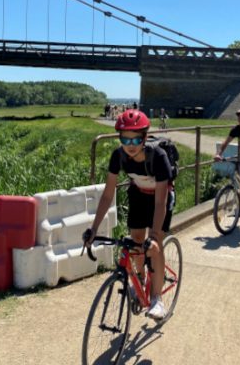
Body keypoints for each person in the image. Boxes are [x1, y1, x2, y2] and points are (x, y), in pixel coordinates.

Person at [83, 109, 175, 321]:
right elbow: (107, 195)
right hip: (138, 194)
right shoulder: (118, 156)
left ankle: (157, 299)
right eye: (125, 138)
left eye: (136, 138)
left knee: (154, 244)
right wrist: (94, 229)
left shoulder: (158, 157)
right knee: (136, 241)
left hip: (160, 199)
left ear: (144, 137)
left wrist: (153, 235)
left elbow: (160, 202)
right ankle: (141, 278)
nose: (130, 144)